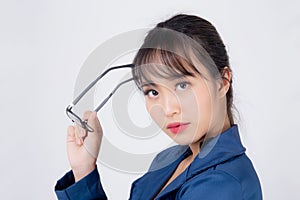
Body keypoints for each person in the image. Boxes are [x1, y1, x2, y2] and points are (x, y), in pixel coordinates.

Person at [55, 14, 262, 199]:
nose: (167, 109)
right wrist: (84, 170)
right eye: (153, 92)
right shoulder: (169, 161)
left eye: (182, 85)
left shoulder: (223, 185)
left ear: (222, 82)